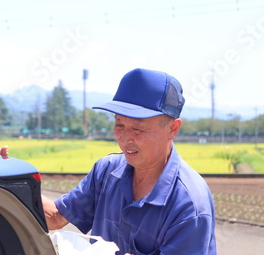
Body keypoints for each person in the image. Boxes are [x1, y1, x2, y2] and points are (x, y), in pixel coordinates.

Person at [42, 68, 216, 254]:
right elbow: (56, 216)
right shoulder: (106, 171)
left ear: (173, 128)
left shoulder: (189, 205)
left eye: (138, 129)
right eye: (119, 124)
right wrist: (12, 180)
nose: (125, 138)